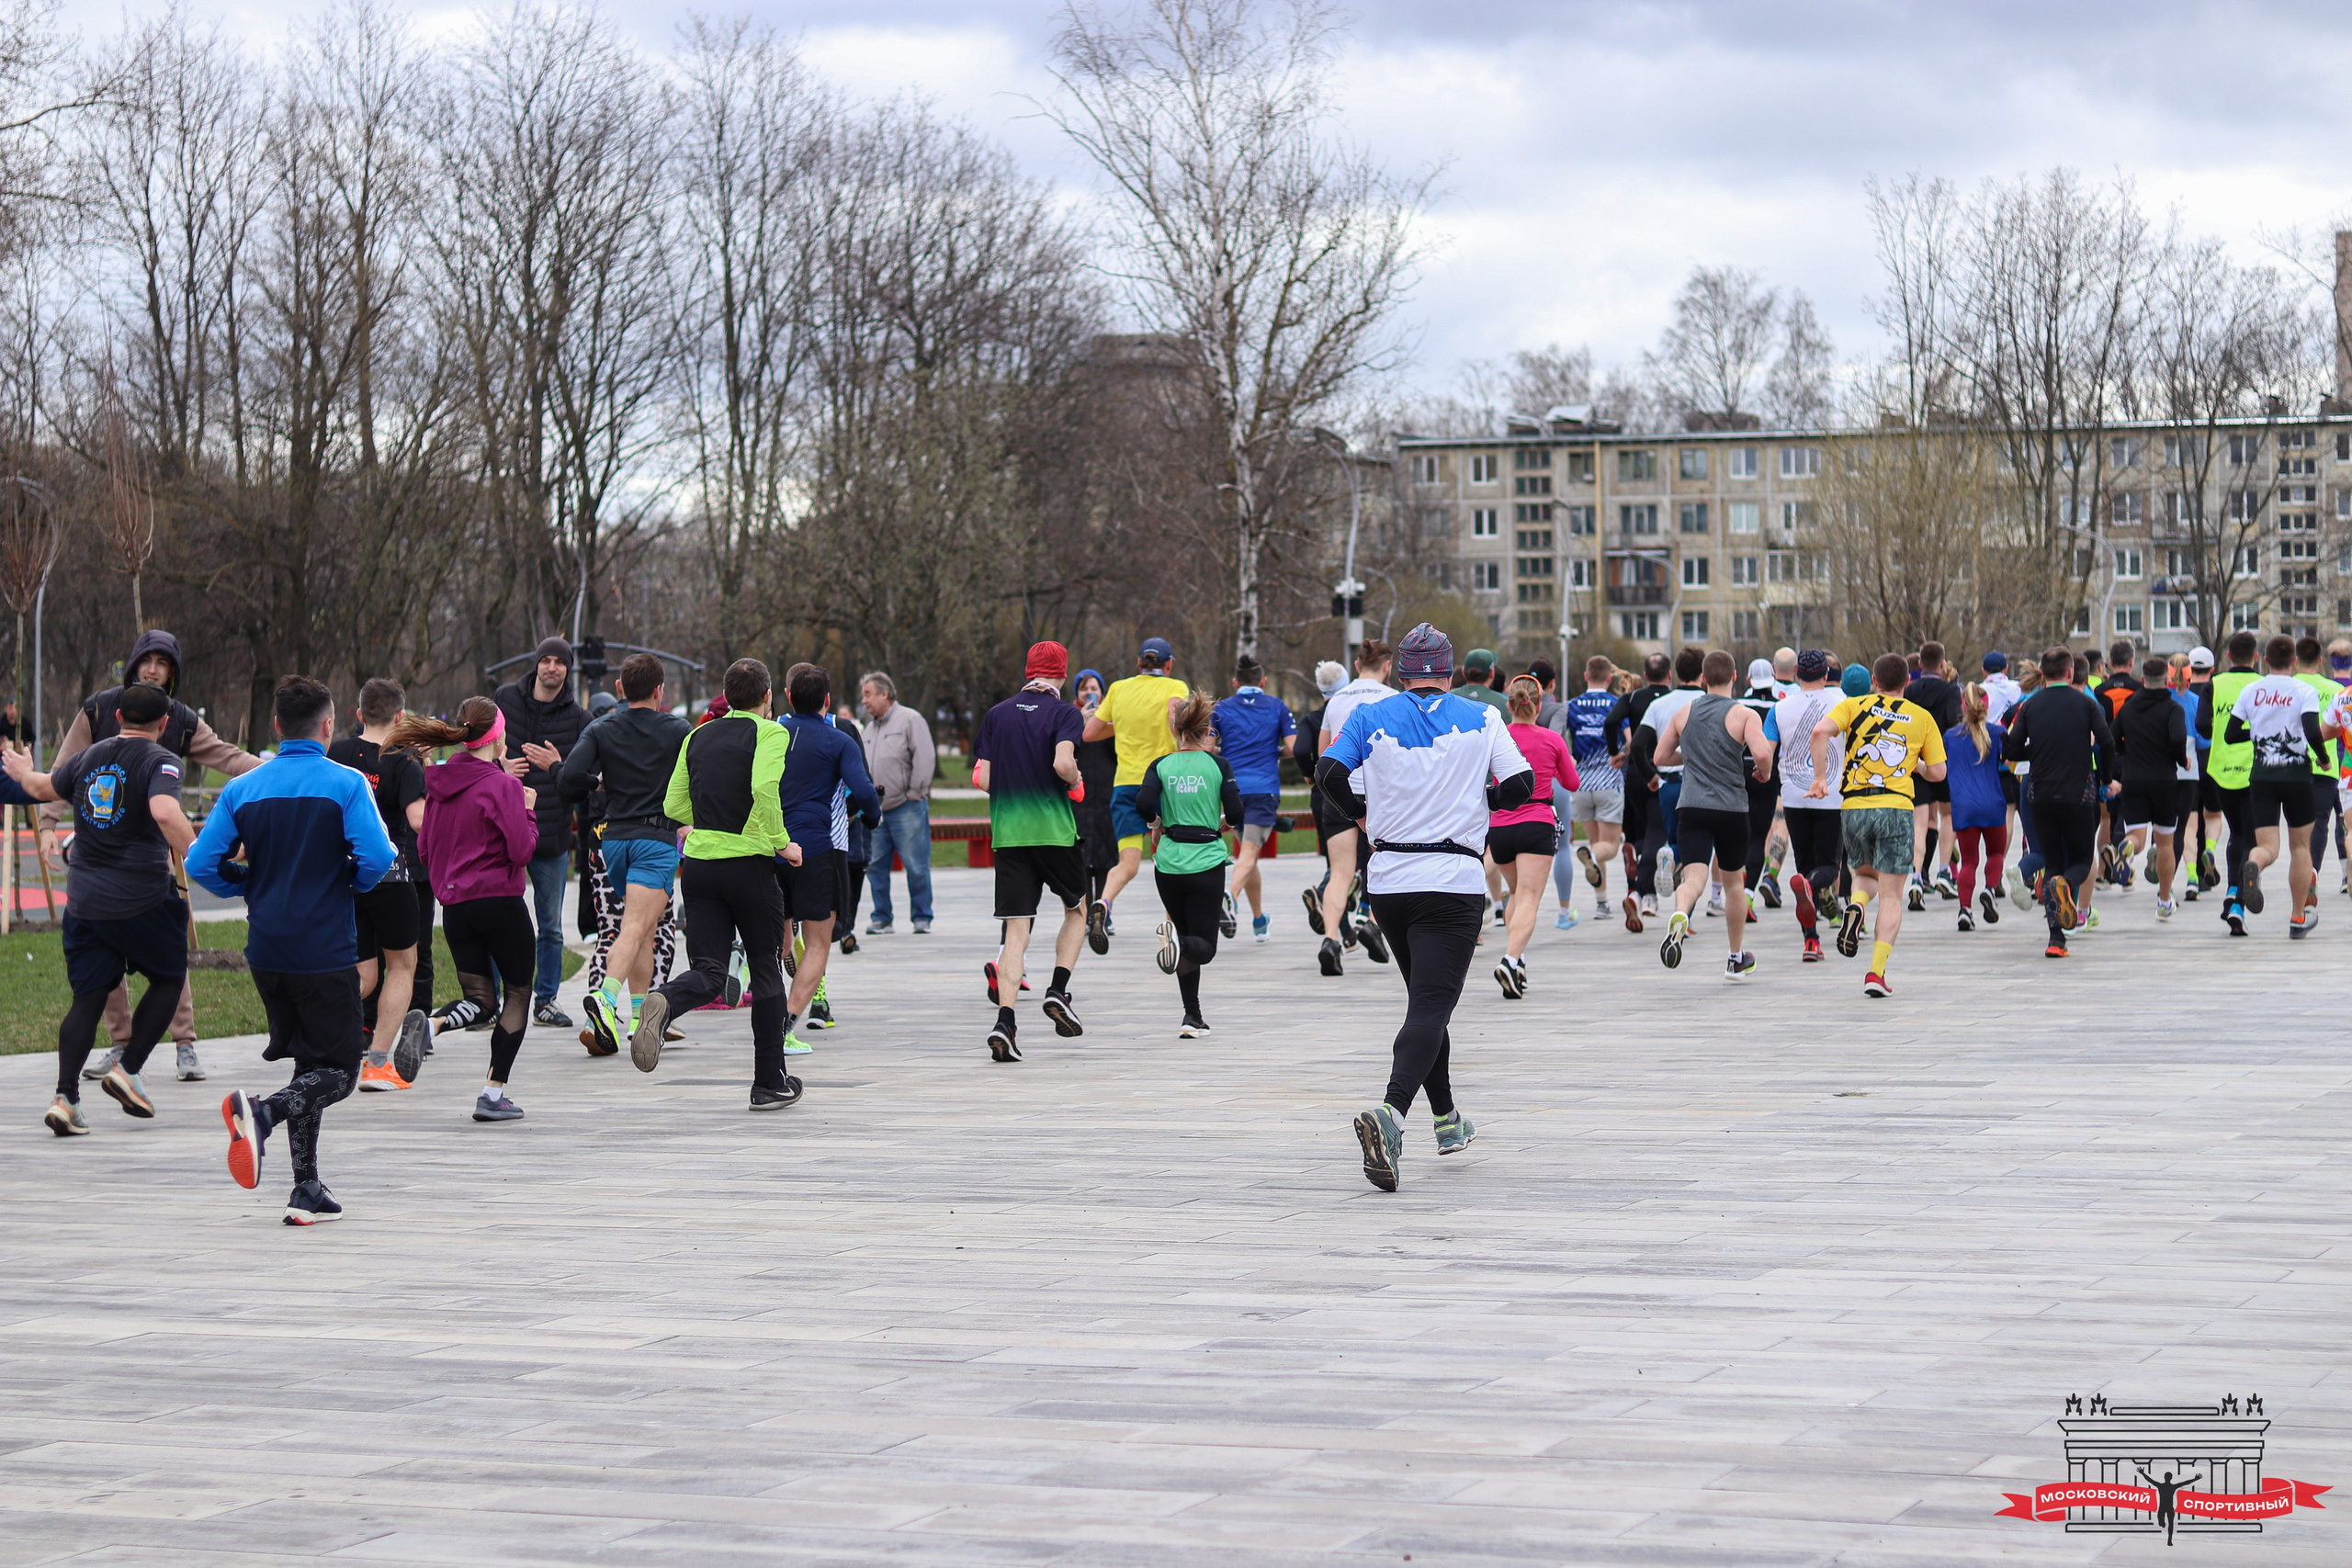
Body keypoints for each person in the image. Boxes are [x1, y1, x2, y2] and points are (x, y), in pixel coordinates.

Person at [1319, 624, 1532, 1192]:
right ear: (1451, 669)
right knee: (1432, 1005)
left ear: (1404, 670)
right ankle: (1390, 1116)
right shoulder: (1483, 717)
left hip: (1388, 879)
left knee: (1425, 1004)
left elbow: (1327, 772)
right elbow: (1521, 784)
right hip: (1453, 877)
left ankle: (1446, 1119)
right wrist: (1479, 800)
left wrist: (1360, 813)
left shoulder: (1369, 716)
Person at [189, 677, 398, 1224]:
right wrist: (348, 880)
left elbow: (199, 864)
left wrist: (250, 884)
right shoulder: (347, 784)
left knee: (311, 1061)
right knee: (341, 1071)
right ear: (329, 726)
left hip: (266, 951)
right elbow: (379, 856)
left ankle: (305, 1187)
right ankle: (260, 1114)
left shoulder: (242, 788)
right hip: (324, 948)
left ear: (277, 727)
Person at [51, 629, 263, 1086]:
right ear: (132, 665)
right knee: (113, 966)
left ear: (173, 672)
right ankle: (121, 1045)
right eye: (146, 659)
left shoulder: (180, 720)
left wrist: (284, 767)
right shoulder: (97, 709)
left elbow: (226, 756)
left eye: (162, 662)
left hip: (151, 858)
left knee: (170, 957)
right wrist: (49, 827)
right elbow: (59, 771)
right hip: (97, 855)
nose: (152, 668)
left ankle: (184, 1044)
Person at [6, 683, 186, 1136]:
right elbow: (165, 812)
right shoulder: (161, 760)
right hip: (142, 899)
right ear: (163, 725)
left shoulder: (89, 757)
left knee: (87, 999)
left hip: (84, 904)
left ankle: (65, 1097)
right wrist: (205, 855)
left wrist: (24, 770)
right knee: (168, 976)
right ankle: (129, 1069)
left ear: (118, 714)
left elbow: (43, 787)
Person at [629, 660, 803, 1111]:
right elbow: (765, 789)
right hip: (748, 865)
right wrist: (782, 844)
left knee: (710, 970)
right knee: (765, 967)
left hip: (700, 868)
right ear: (767, 697)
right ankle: (768, 1082)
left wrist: (700, 828)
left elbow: (673, 803)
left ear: (727, 695)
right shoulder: (771, 733)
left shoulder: (697, 735)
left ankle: (665, 999)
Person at [389, 696, 543, 1121]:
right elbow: (522, 850)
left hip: (455, 907)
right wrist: (529, 812)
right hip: (501, 903)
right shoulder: (504, 786)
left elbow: (423, 846)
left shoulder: (438, 787)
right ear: (498, 737)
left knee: (479, 999)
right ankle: (492, 1095)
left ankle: (432, 1026)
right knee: (516, 994)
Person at [560, 654, 691, 1060]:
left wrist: (598, 782)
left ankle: (639, 1022)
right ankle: (604, 998)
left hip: (613, 841)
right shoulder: (678, 729)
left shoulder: (601, 728)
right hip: (655, 838)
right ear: (659, 691)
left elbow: (567, 779)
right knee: (635, 926)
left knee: (645, 929)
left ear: (620, 689)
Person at [973, 642, 1089, 1061]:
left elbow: (983, 778)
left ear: (1028, 671)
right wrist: (1074, 779)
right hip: (1054, 832)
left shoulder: (997, 714)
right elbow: (1063, 764)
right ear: (1061, 674)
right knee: (1077, 909)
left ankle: (1005, 1021)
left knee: (1016, 931)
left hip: (1009, 834)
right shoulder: (1066, 714)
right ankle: (1058, 989)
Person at [1809, 653, 1948, 996]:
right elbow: (1939, 773)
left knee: (1865, 875)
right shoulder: (1921, 717)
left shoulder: (1854, 706)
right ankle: (1876, 972)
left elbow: (1819, 731)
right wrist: (1917, 768)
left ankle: (1855, 905)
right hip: (1896, 808)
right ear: (1907, 683)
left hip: (1854, 806)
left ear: (1874, 680)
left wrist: (1820, 778)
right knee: (1891, 895)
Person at [327, 679, 432, 1091]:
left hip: (347, 878)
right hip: (391, 877)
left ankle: (333, 1044)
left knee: (363, 973)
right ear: (401, 718)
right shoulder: (405, 761)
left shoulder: (335, 754)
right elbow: (420, 820)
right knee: (402, 967)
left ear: (358, 714)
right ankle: (377, 1064)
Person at [775, 663, 880, 1055]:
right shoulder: (839, 740)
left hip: (770, 848)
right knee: (818, 943)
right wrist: (872, 818)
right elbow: (865, 793)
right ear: (828, 701)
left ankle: (765, 1012)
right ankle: (783, 1026)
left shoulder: (770, 735)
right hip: (817, 851)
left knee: (778, 942)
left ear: (788, 697)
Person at [1655, 651, 1774, 980]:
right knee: (1734, 883)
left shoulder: (1684, 712)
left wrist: (1690, 756)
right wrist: (1764, 772)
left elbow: (1660, 756)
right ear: (1735, 677)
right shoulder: (1743, 714)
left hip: (1691, 806)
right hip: (1731, 808)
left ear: (1703, 679)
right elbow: (1762, 752)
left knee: (1694, 877)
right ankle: (1736, 959)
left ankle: (1681, 914)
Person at [493, 636, 587, 1029]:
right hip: (502, 831)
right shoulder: (504, 699)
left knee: (549, 924)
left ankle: (546, 1000)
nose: (552, 667)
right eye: (546, 660)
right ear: (536, 664)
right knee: (499, 919)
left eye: (559, 662)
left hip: (549, 835)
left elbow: (583, 779)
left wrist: (559, 765)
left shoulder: (579, 718)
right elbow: (478, 747)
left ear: (568, 669)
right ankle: (495, 1001)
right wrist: (500, 767)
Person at [1136, 692, 1243, 1038]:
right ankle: (1180, 952)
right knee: (1204, 946)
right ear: (1206, 730)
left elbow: (1143, 803)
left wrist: (1156, 822)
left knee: (1183, 936)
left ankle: (1192, 1016)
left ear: (1178, 731)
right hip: (1206, 861)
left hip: (1168, 863)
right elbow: (1238, 813)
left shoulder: (1161, 765)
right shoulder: (1218, 765)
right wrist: (1224, 820)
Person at [2001, 646, 2120, 957]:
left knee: (2051, 863)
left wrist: (2037, 753)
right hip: (2078, 792)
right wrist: (2107, 778)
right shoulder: (2085, 704)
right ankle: (2065, 885)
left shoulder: (2030, 706)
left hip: (2040, 794)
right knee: (2080, 861)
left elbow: (2012, 750)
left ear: (2043, 674)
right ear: (2070, 673)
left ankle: (2056, 940)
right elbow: (2106, 742)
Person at [1081, 638, 1187, 950]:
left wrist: (1125, 724)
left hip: (1125, 785)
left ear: (1139, 663)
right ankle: (1169, 932)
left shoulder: (1117, 689)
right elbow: (1174, 718)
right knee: (1168, 861)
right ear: (1168, 665)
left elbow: (1089, 733)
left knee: (1127, 862)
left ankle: (1103, 902)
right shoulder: (1176, 687)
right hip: (1162, 781)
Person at [2223, 634, 2325, 937]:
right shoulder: (2304, 690)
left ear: (2265, 661)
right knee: (2300, 846)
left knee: (2267, 847)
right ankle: (2297, 918)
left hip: (2261, 778)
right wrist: (2322, 758)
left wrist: (2256, 734)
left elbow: (2230, 734)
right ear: (2294, 662)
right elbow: (2309, 729)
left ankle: (2253, 863)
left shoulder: (2251, 690)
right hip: (2297, 778)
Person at [1311, 640, 1395, 974]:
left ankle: (1331, 938)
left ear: (1357, 666)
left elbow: (1323, 753)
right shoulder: (1392, 699)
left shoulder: (1337, 700)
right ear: (1387, 667)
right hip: (1377, 795)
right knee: (1382, 863)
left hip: (1338, 794)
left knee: (1341, 872)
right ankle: (1371, 922)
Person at [1490, 674, 1576, 998]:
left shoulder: (1496, 737)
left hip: (1500, 826)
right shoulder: (1551, 740)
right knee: (1529, 898)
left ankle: (1519, 960)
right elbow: (1572, 783)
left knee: (1516, 894)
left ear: (1509, 704)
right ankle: (1510, 961)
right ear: (1539, 705)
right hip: (1536, 822)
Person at [1213, 656, 1295, 942]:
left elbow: (1208, 747)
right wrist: (1273, 750)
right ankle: (1230, 898)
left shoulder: (1221, 709)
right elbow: (1294, 748)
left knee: (1250, 857)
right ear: (1263, 682)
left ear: (1235, 683)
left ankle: (1259, 920)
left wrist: (1231, 750)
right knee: (1248, 855)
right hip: (1264, 789)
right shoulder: (1278, 707)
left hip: (1233, 789)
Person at [1771, 649, 1846, 962]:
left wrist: (1763, 772)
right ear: (1826, 675)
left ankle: (1811, 942)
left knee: (1803, 864)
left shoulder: (1779, 707)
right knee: (1829, 865)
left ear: (1797, 674)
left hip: (1793, 797)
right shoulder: (1844, 704)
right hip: (1831, 795)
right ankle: (1811, 886)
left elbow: (1765, 751)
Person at [2112, 656, 2190, 919]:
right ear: (2168, 681)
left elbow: (2112, 739)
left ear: (2143, 680)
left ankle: (2126, 848)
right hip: (2164, 781)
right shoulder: (2173, 709)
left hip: (2133, 778)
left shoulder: (2129, 708)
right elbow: (2178, 737)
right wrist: (2181, 759)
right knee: (2165, 843)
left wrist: (2128, 752)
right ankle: (2165, 901)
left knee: (2138, 837)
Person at [1629, 647, 1706, 913]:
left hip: (1668, 784)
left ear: (1676, 674)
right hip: (1701, 785)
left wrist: (1651, 775)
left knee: (1673, 838)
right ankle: (1688, 915)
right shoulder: (1709, 702)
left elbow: (1638, 746)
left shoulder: (1658, 705)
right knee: (1699, 850)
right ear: (1703, 674)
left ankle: (1670, 855)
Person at [859, 671, 936, 935]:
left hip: (907, 807)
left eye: (868, 695)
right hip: (876, 811)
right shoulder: (869, 728)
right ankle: (882, 917)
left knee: (916, 865)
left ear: (885, 694)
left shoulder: (910, 720)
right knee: (875, 866)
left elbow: (925, 757)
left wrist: (916, 792)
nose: (864, 701)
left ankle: (922, 917)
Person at [1602, 653, 1673, 927]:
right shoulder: (1672, 700)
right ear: (1669, 676)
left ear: (1645, 676)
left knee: (1635, 832)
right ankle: (1641, 892)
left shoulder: (1631, 699)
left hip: (1633, 773)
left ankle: (1637, 883)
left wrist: (1614, 752)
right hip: (1659, 771)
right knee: (1657, 831)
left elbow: (1610, 722)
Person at [2198, 630, 2264, 918]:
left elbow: (2201, 725)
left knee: (2235, 833)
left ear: (2227, 656)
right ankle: (2237, 901)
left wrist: (2222, 735)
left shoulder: (2214, 684)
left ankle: (2231, 891)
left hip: (2220, 770)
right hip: (2254, 771)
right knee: (2251, 837)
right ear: (2256, 657)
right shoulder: (2264, 685)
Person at [1556, 656, 1623, 930]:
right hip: (1609, 779)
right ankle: (1593, 862)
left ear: (1586, 677)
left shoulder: (1571, 705)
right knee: (1609, 846)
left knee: (1595, 843)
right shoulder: (1617, 703)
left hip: (1580, 783)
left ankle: (1602, 902)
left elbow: (1561, 740)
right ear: (1610, 678)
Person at [1943, 683, 2009, 931]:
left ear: (1963, 706)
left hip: (1963, 805)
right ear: (1986, 705)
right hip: (1992, 803)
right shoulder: (1997, 733)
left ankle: (1965, 910)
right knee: (1996, 854)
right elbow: (2009, 760)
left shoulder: (1950, 737)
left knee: (1969, 861)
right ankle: (1990, 891)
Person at [1904, 643, 1965, 904]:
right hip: (1943, 762)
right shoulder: (1951, 690)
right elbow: (1955, 723)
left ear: (1920, 664)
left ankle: (1916, 876)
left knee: (1919, 822)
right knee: (1948, 816)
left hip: (1915, 763)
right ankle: (1943, 872)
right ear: (1942, 664)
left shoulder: (1909, 690)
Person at [2292, 636, 2340, 925]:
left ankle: (2300, 870)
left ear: (2295, 660)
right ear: (2321, 660)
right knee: (2321, 820)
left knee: (2298, 828)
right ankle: (2313, 872)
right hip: (2327, 768)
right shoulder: (2336, 690)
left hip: (2293, 766)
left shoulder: (2288, 688)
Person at [1070, 670, 1120, 908]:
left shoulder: (1112, 720)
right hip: (1078, 798)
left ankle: (1101, 910)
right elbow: (1065, 755)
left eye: (1094, 689)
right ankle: (1082, 913)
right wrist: (1080, 723)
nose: (1089, 694)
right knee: (1079, 859)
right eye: (1084, 689)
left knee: (1106, 858)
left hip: (1105, 797)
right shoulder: (1069, 717)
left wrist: (1104, 725)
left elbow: (1118, 754)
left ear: (1102, 693)